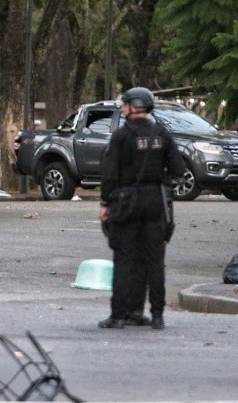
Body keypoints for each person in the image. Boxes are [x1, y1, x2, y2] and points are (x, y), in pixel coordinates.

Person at [98, 87, 185, 330]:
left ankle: (118, 316)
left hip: (126, 202)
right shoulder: (161, 134)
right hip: (155, 202)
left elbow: (109, 174)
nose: (122, 108)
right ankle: (155, 315)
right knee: (154, 260)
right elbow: (178, 169)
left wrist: (105, 203)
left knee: (124, 260)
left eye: (124, 104)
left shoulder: (121, 136)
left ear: (132, 106)